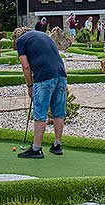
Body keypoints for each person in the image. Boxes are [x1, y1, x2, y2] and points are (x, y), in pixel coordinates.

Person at [15, 28, 67, 159]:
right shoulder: (43, 36)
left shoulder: (21, 40)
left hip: (44, 77)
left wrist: (30, 85)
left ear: (17, 36)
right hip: (61, 75)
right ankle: (57, 145)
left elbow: (25, 66)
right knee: (58, 112)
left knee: (40, 112)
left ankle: (36, 148)